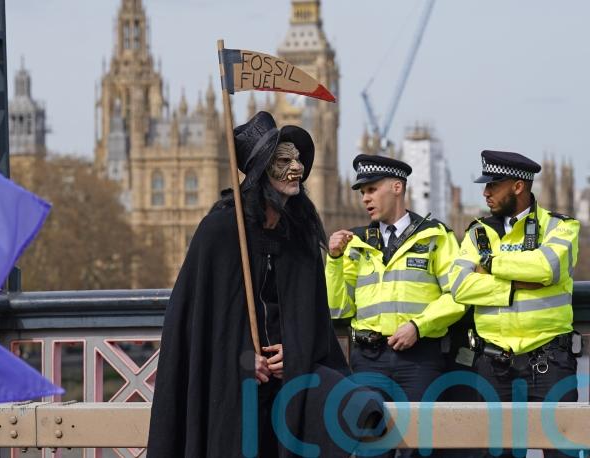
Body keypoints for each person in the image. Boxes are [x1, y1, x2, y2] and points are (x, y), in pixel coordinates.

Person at [147, 112, 383, 457]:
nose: (297, 168)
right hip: (233, 390)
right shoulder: (221, 232)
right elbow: (194, 329)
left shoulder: (299, 235)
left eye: (298, 159)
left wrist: (296, 351)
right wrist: (242, 358)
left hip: (291, 383)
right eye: (284, 160)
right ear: (260, 172)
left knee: (357, 408)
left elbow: (314, 321)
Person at [326, 154, 466, 458]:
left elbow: (458, 295)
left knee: (418, 447)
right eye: (362, 192)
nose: (365, 198)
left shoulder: (435, 236)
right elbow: (338, 309)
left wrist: (419, 326)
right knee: (368, 447)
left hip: (419, 359)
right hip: (367, 359)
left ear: (397, 187)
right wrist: (334, 261)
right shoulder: (357, 242)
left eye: (372, 189)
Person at [448, 150, 582, 458]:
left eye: (493, 185)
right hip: (494, 366)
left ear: (518, 186)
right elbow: (458, 286)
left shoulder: (561, 227)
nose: (485, 192)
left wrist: (489, 264)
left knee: (563, 452)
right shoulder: (477, 231)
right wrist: (514, 286)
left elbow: (547, 268)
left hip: (550, 362)